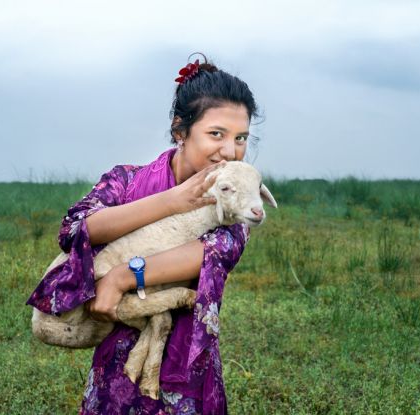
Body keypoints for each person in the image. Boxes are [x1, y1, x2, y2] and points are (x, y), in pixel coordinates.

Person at [27, 53, 260, 414]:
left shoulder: (234, 202)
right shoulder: (126, 181)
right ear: (179, 130)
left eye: (241, 137)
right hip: (115, 373)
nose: (230, 151)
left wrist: (121, 276)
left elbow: (211, 253)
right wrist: (172, 200)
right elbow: (75, 230)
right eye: (216, 134)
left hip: (187, 371)